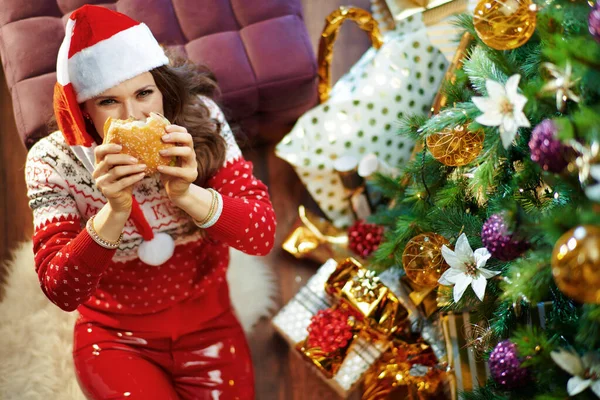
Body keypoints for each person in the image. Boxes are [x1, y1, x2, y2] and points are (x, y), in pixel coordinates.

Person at [24, 5, 276, 399]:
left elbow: (260, 234)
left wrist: (187, 194)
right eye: (109, 101)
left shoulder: (201, 121)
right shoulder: (51, 161)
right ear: (84, 110)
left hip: (208, 320)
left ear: (162, 89)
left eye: (144, 93)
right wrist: (114, 211)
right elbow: (61, 288)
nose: (135, 116)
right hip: (113, 335)